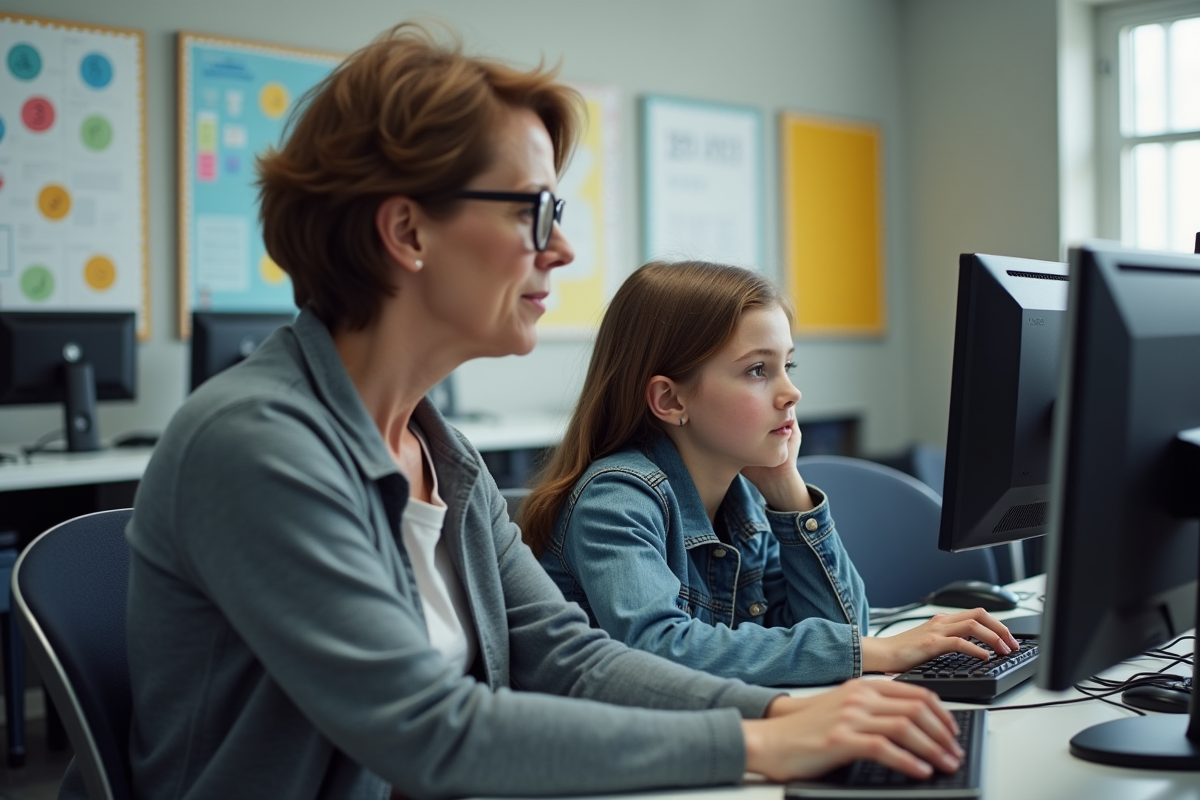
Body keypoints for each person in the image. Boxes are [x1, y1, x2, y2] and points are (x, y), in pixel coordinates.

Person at [98, 24, 969, 800]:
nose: (563, 248)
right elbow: (429, 732)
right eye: (534, 211)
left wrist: (786, 712)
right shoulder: (256, 445)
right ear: (407, 233)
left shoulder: (444, 456)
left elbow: (571, 660)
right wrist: (761, 743)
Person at [522, 261, 1020, 687]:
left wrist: (787, 490)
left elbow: (841, 627)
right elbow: (658, 650)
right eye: (758, 370)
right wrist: (874, 651)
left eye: (788, 366)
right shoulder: (616, 499)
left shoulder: (742, 503)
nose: (791, 393)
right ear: (671, 400)